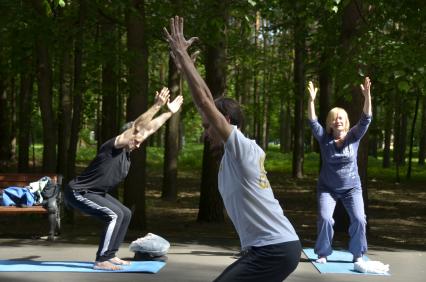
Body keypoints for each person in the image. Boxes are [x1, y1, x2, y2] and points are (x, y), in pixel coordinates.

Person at [164, 16, 301, 281]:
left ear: (226, 122)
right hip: (268, 249)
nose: (206, 134)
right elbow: (206, 98)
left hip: (273, 249)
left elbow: (205, 103)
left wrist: (181, 53)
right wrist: (187, 64)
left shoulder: (240, 147)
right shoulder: (237, 153)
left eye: (208, 127)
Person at [64, 87, 183, 270]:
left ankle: (110, 255)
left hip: (96, 192)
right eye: (135, 139)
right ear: (127, 134)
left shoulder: (128, 152)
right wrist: (157, 105)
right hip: (79, 192)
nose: (138, 143)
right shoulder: (114, 145)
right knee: (113, 215)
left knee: (125, 213)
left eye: (140, 141)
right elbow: (138, 127)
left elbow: (149, 129)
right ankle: (102, 259)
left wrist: (168, 113)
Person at [307, 77, 372, 264]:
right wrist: (311, 101)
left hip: (352, 188)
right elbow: (312, 121)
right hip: (327, 188)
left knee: (360, 219)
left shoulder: (354, 136)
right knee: (326, 219)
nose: (338, 121)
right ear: (329, 123)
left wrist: (367, 96)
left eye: (341, 118)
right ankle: (322, 253)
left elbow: (366, 119)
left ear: (347, 122)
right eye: (334, 118)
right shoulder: (324, 138)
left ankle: (358, 253)